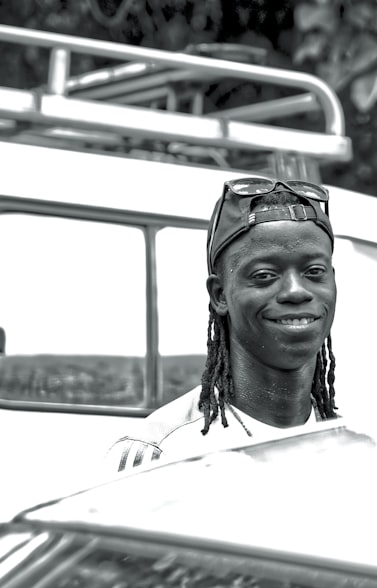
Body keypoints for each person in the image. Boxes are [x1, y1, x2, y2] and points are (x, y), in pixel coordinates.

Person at [105, 176, 339, 473]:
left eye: (314, 271)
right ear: (220, 295)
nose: (296, 291)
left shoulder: (360, 447)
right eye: (265, 275)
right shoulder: (161, 454)